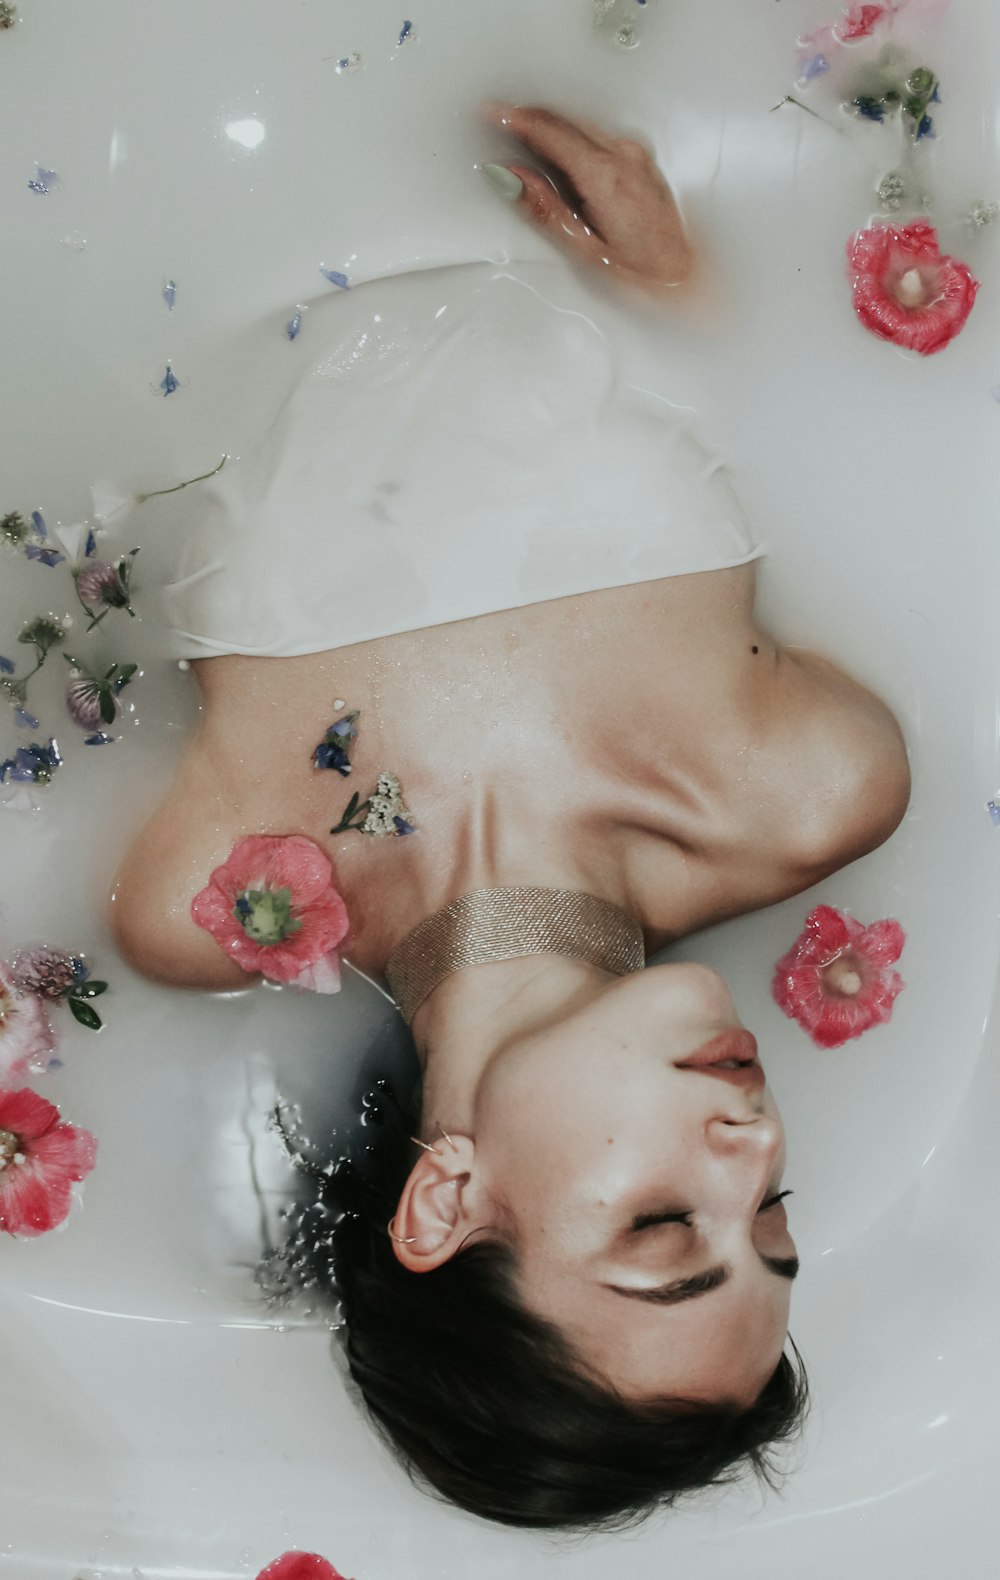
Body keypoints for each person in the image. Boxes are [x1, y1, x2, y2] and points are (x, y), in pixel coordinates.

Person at [112, 104, 910, 1529]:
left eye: (665, 1227)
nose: (754, 1151)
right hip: (529, 104)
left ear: (446, 1205)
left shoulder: (204, 891)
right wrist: (695, 302)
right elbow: (847, 447)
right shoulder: (802, 783)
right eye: (773, 1222)